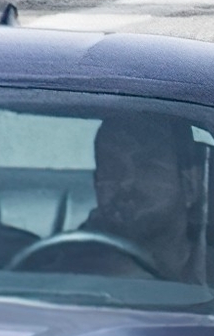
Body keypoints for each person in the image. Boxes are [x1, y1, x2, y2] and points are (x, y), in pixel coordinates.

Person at [82, 109, 202, 281]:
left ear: (190, 186)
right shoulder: (62, 265)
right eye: (112, 167)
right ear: (96, 183)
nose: (125, 182)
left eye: (146, 167)